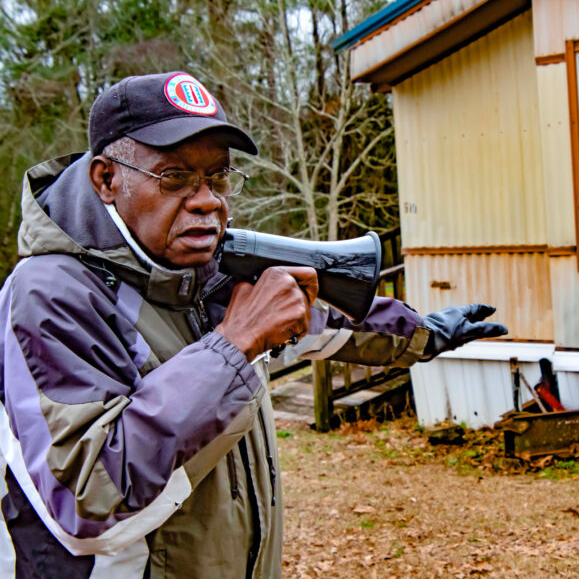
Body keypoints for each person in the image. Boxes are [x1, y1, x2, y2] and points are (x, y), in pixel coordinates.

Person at [0, 71, 506, 578]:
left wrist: (424, 334)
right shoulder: (50, 291)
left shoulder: (202, 265)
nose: (207, 201)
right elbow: (87, 499)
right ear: (107, 179)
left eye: (218, 177)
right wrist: (234, 346)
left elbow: (322, 320)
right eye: (174, 177)